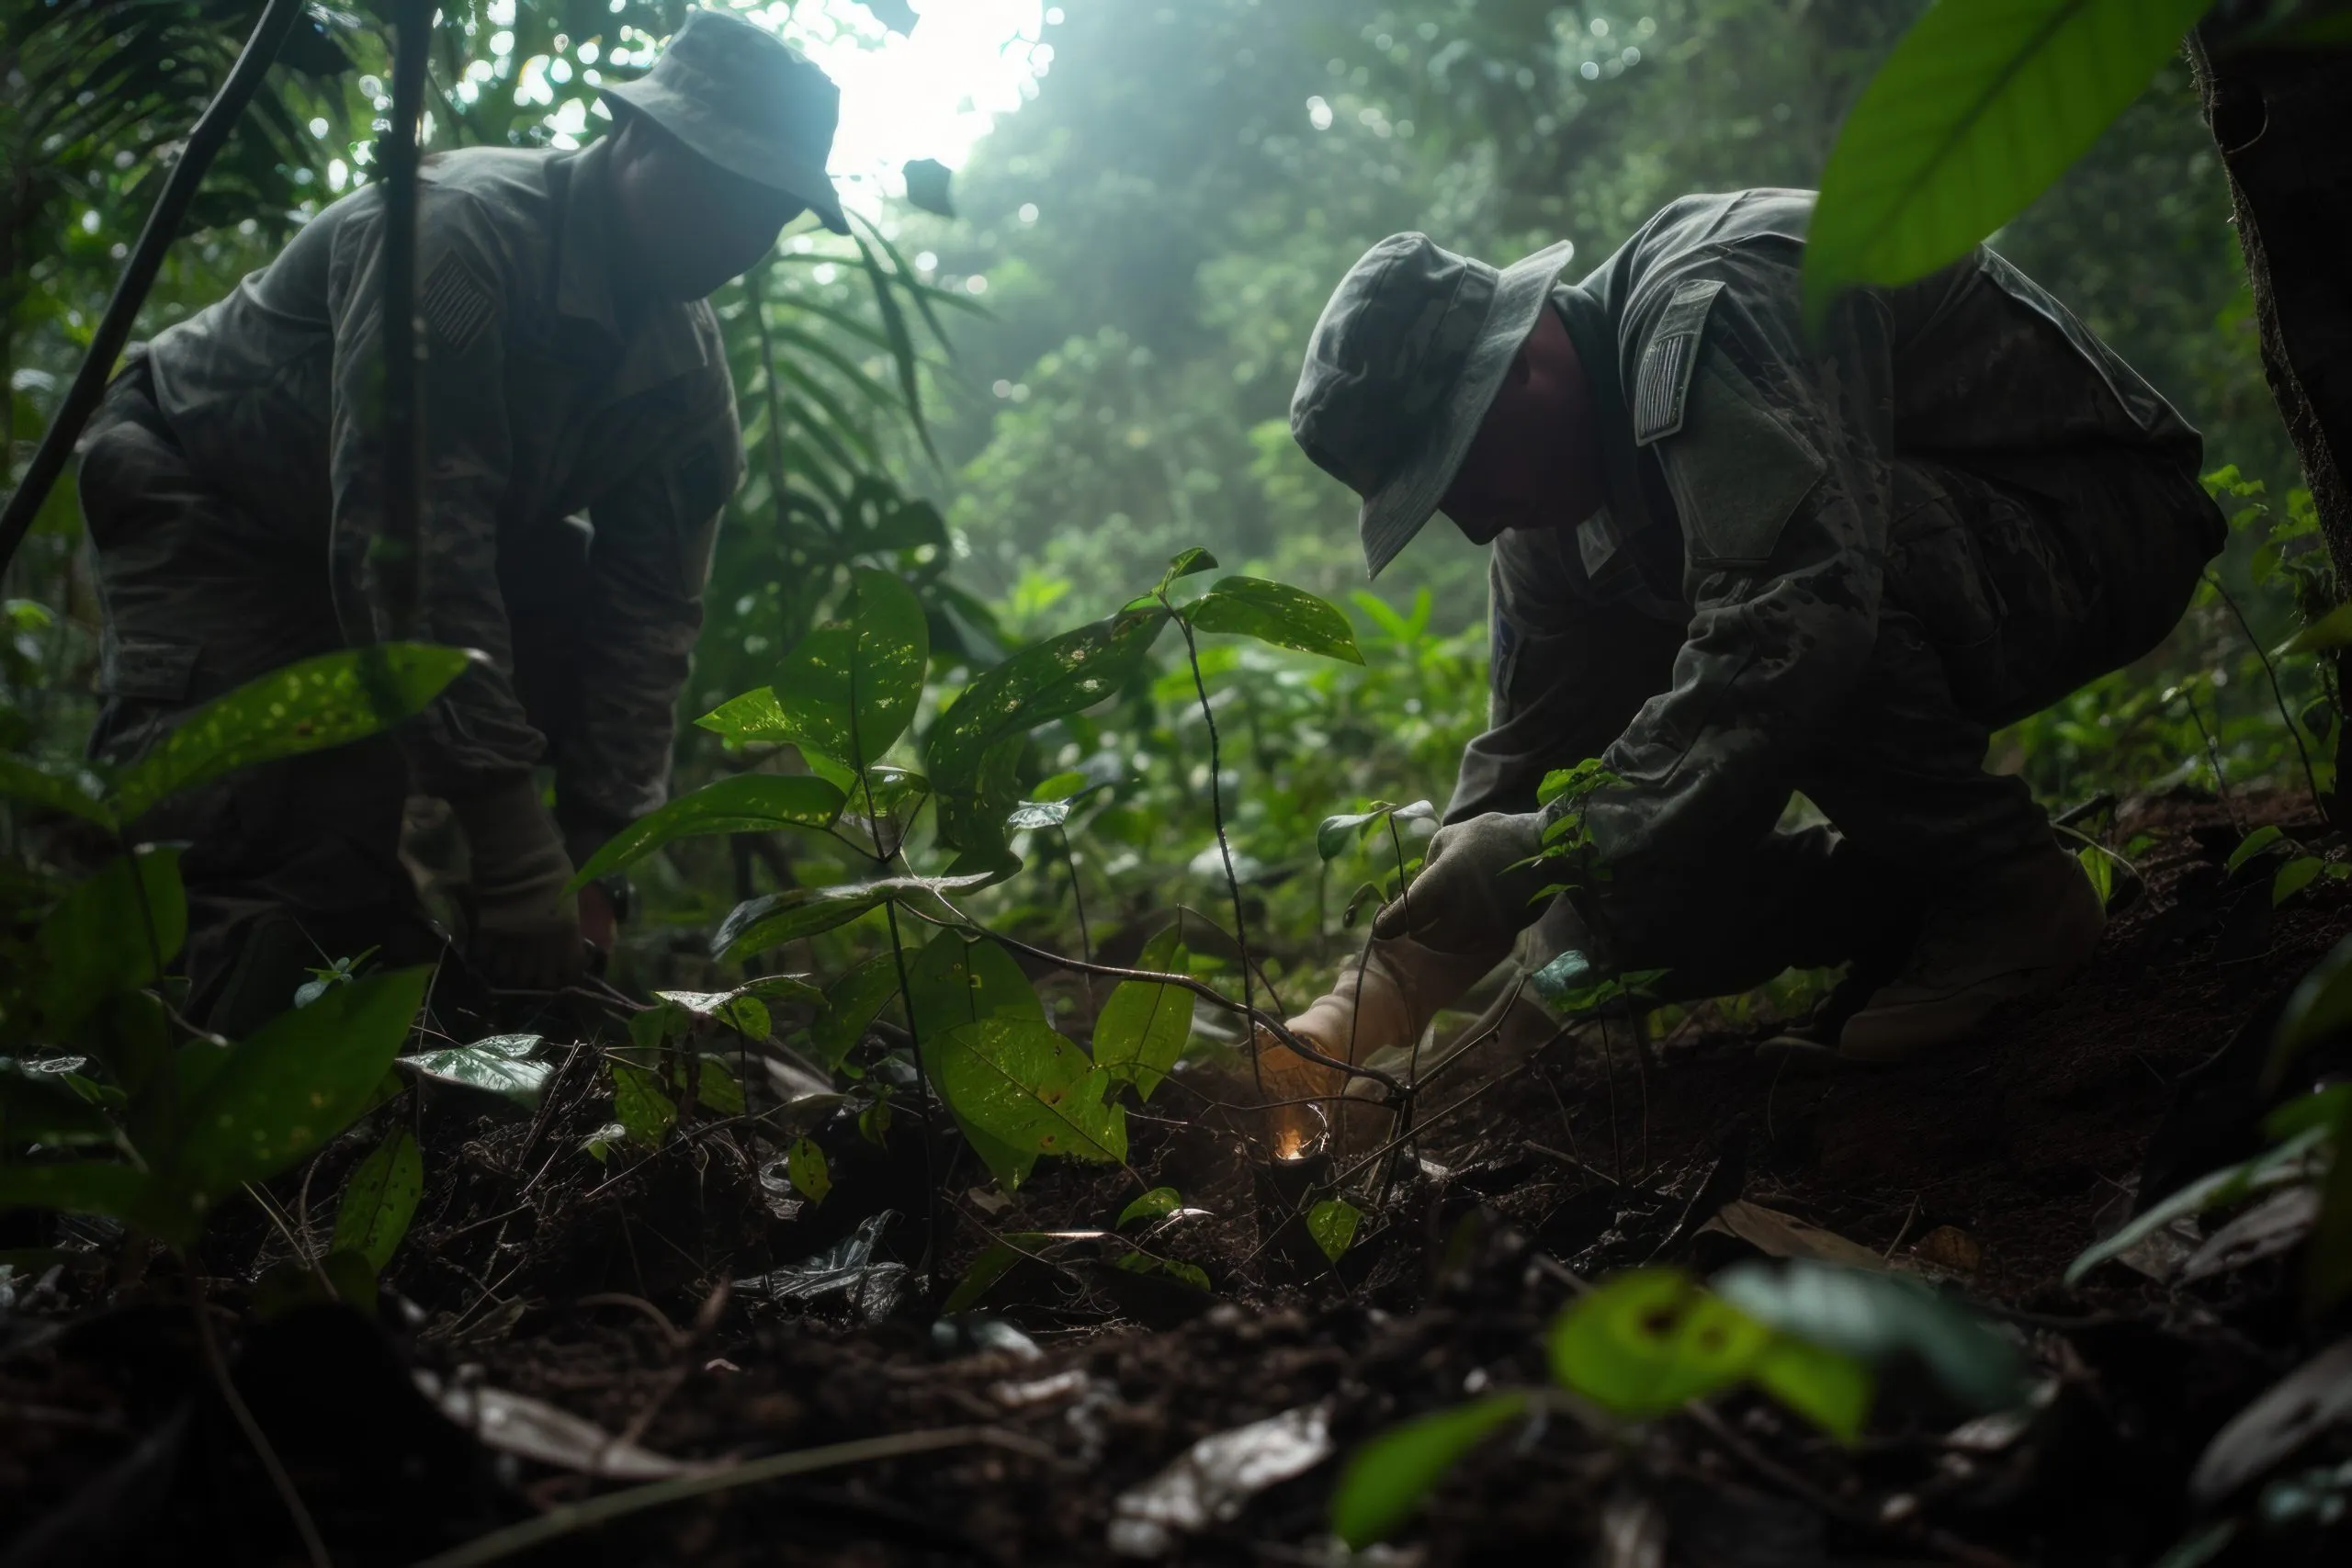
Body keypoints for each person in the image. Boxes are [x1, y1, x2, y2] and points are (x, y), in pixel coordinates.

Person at [1274, 188, 2224, 1088]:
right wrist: (1372, 994)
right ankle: (1912, 895)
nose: (1474, 524)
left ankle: (2007, 891)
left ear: (1516, 363)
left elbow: (1798, 619)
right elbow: (1524, 768)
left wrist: (1554, 839)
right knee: (1591, 925)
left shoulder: (1708, 308)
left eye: (1458, 476)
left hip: (2099, 518)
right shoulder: (1548, 519)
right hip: (1924, 562)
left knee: (1796, 603)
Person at [76, 9, 845, 1033]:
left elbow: (648, 626)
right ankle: (167, 1115)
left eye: (772, 213)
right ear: (637, 137)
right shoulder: (459, 238)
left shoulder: (686, 387)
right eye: (723, 187)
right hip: (218, 501)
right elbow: (407, 560)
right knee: (266, 865)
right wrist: (512, 841)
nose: (744, 235)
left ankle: (440, 964)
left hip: (389, 541)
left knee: (565, 605)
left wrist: (595, 869)